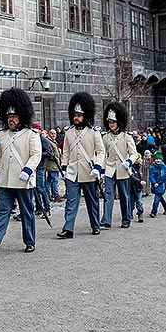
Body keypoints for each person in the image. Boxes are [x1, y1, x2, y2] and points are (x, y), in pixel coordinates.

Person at [0, 87, 42, 253]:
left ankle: (29, 241)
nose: (10, 119)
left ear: (21, 116)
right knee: (2, 211)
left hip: (23, 179)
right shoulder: (2, 134)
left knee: (26, 212)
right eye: (8, 116)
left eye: (13, 116)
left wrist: (28, 170)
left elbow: (36, 155)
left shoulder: (31, 134)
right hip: (6, 179)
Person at [56, 92, 105, 239]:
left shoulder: (93, 132)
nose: (76, 118)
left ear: (85, 116)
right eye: (74, 115)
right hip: (72, 172)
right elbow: (66, 152)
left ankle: (95, 225)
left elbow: (101, 151)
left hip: (88, 172)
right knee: (71, 201)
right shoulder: (69, 132)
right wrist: (64, 167)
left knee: (92, 201)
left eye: (79, 115)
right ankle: (68, 228)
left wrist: (97, 167)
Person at [100, 102, 137, 228]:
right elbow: (103, 154)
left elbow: (134, 153)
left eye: (113, 122)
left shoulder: (127, 137)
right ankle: (106, 220)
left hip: (123, 169)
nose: (111, 125)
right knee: (108, 195)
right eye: (109, 122)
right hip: (110, 169)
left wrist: (129, 162)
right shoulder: (105, 137)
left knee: (124, 196)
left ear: (119, 122)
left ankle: (126, 219)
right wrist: (101, 169)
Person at [45, 128, 62, 203]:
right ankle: (55, 194)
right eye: (52, 133)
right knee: (53, 180)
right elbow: (50, 153)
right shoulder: (49, 142)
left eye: (55, 133)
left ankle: (49, 194)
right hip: (52, 164)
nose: (54, 135)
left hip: (55, 164)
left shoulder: (53, 141)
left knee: (51, 180)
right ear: (49, 134)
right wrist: (55, 158)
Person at [129, 154, 147, 222]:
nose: (140, 160)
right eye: (138, 159)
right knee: (131, 201)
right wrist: (139, 181)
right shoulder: (131, 168)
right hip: (132, 187)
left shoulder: (140, 168)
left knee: (139, 201)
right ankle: (130, 212)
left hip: (139, 188)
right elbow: (132, 177)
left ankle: (140, 213)